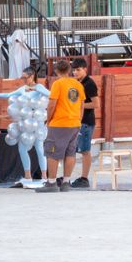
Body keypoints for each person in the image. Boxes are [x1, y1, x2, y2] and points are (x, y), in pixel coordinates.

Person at [0, 68, 49, 188]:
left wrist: (37, 89)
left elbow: (51, 94)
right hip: (24, 124)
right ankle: (28, 175)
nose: (23, 80)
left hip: (36, 123)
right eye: (22, 77)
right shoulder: (22, 89)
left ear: (32, 76)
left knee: (39, 148)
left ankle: (44, 176)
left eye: (25, 77)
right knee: (22, 149)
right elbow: (8, 95)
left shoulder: (39, 87)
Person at [38, 60, 85, 193]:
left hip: (59, 122)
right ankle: (66, 182)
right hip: (74, 122)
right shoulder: (77, 84)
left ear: (56, 71)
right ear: (69, 70)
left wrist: (49, 118)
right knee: (70, 152)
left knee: (52, 152)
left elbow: (52, 104)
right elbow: (81, 105)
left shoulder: (57, 84)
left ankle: (51, 182)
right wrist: (78, 120)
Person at [70, 59, 98, 188]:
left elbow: (95, 104)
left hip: (86, 121)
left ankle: (84, 178)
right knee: (73, 150)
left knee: (85, 151)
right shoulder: (76, 83)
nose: (75, 72)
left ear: (85, 69)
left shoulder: (89, 83)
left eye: (78, 70)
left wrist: (78, 106)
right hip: (77, 121)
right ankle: (68, 177)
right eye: (74, 70)